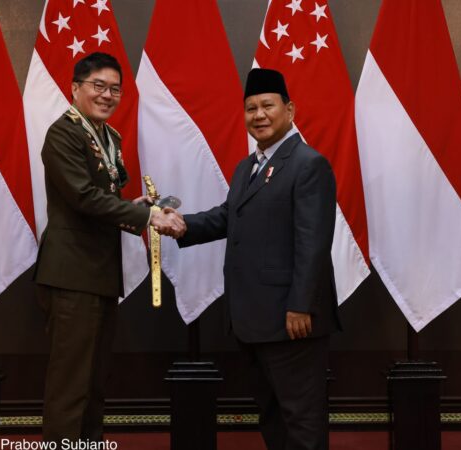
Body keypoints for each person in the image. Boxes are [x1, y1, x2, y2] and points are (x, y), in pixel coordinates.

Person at [177, 68, 340, 450]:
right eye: (251, 108)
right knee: (271, 416)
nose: (259, 115)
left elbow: (313, 243)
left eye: (268, 105)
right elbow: (227, 217)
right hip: (253, 319)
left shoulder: (308, 164)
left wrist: (301, 305)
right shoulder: (247, 167)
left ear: (289, 110)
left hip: (291, 319)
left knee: (302, 421)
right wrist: (180, 224)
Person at [33, 52, 184, 441]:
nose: (107, 95)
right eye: (98, 86)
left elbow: (105, 200)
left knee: (94, 382)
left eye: (115, 89)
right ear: (75, 88)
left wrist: (137, 207)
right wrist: (148, 217)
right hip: (71, 274)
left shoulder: (108, 136)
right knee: (70, 386)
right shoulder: (63, 134)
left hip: (99, 272)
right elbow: (83, 197)